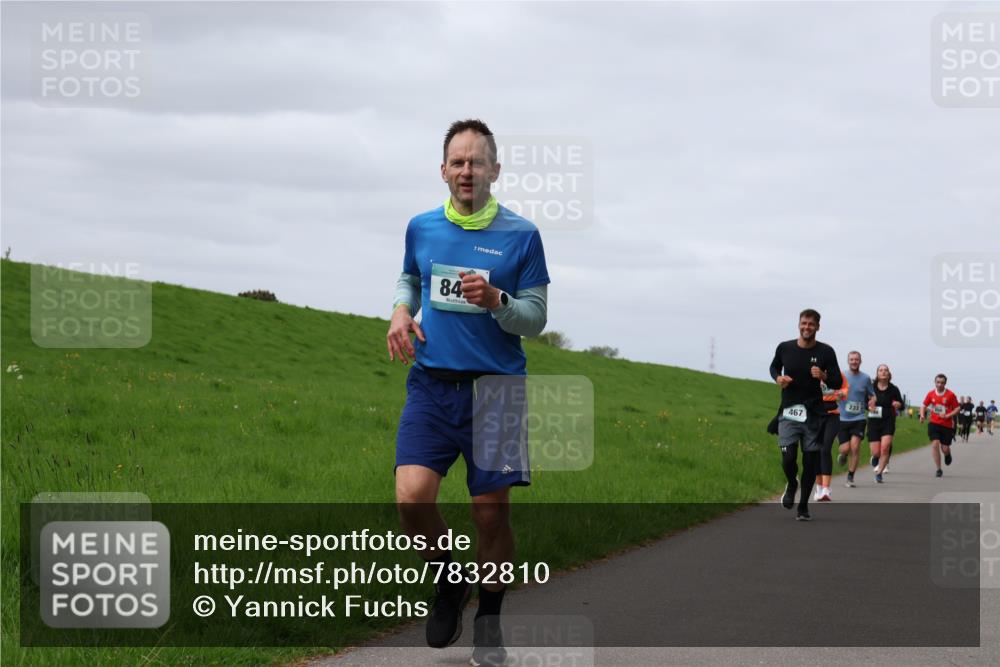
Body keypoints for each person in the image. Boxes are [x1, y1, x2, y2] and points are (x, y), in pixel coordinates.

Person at [387, 119, 550, 667]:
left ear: (494, 171)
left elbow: (535, 320)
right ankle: (451, 582)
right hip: (432, 384)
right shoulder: (422, 227)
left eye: (476, 162)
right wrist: (400, 309)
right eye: (457, 162)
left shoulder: (521, 236)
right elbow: (410, 276)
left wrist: (498, 299)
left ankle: (489, 617)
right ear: (443, 170)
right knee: (411, 497)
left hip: (497, 392)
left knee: (491, 518)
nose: (466, 171)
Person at [769, 309, 843, 521]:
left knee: (810, 462)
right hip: (789, 412)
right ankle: (792, 483)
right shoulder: (785, 348)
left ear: (818, 327)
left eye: (811, 324)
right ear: (798, 324)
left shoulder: (826, 352)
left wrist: (824, 376)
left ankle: (803, 506)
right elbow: (774, 366)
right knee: (789, 457)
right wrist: (778, 378)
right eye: (804, 323)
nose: (807, 327)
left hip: (814, 414)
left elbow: (837, 381)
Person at [835, 351, 875, 488]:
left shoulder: (866, 378)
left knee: (855, 447)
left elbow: (872, 395)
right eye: (851, 359)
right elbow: (831, 392)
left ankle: (850, 476)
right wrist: (837, 394)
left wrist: (872, 402)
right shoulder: (841, 375)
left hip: (859, 417)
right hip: (842, 417)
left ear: (860, 361)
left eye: (856, 359)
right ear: (848, 361)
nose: (854, 362)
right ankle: (844, 454)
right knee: (845, 448)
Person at [919, 374, 961, 478]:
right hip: (934, 423)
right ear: (935, 382)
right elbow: (924, 405)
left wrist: (947, 415)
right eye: (938, 382)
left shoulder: (950, 395)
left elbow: (957, 409)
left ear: (945, 383)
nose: (939, 384)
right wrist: (922, 415)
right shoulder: (931, 394)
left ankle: (947, 454)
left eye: (942, 382)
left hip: (946, 425)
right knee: (935, 444)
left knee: (945, 448)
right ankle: (938, 469)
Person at [814, 371, 847, 501]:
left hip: (832, 415)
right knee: (815, 450)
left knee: (825, 448)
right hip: (814, 415)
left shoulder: (837, 374)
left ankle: (826, 489)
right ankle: (819, 488)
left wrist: (842, 393)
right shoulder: (811, 371)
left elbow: (845, 390)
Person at [869, 364, 903, 483]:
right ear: (877, 373)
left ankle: (879, 474)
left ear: (889, 374)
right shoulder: (871, 387)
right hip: (873, 421)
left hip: (888, 421)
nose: (883, 372)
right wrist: (869, 404)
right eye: (881, 370)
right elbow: (863, 400)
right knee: (876, 451)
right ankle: (875, 456)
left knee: (885, 448)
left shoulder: (894, 389)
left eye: (885, 370)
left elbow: (901, 404)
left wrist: (898, 405)